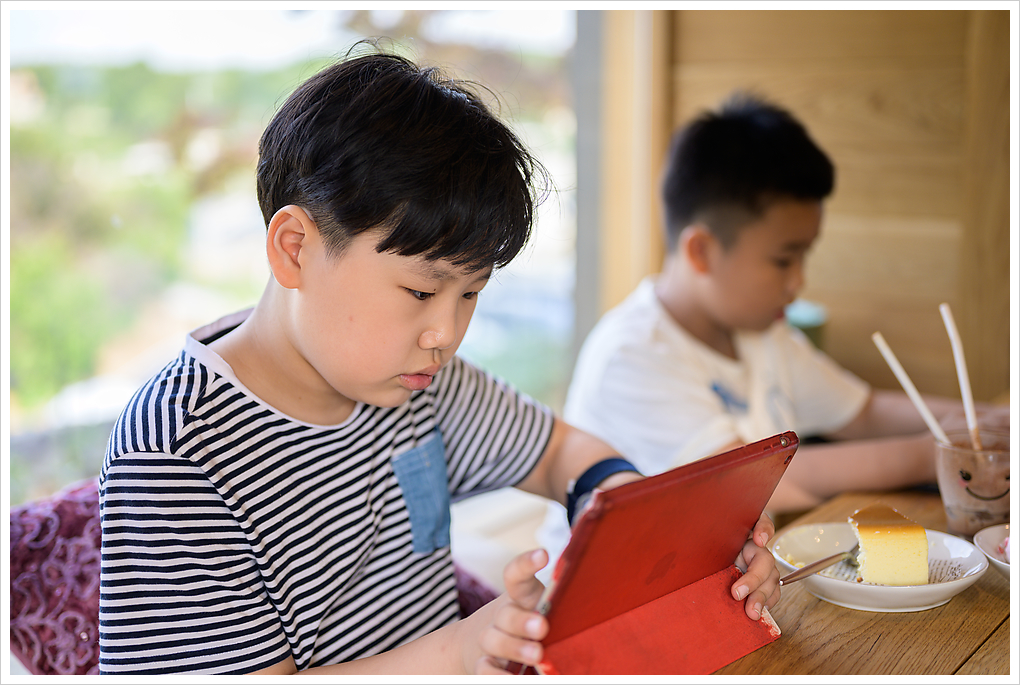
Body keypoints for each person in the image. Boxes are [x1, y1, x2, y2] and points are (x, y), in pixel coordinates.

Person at [98, 49, 780, 676]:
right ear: (295, 248)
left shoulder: (417, 380)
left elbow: (560, 454)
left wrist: (649, 533)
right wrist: (457, 652)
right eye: (422, 293)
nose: (446, 334)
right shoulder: (178, 453)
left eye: (471, 294)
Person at [537, 92, 1009, 569]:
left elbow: (862, 411)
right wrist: (936, 455)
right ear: (701, 251)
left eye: (805, 256)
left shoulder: (760, 332)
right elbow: (758, 483)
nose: (799, 281)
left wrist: (986, 421)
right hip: (600, 592)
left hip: (717, 575)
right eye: (784, 259)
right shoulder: (634, 356)